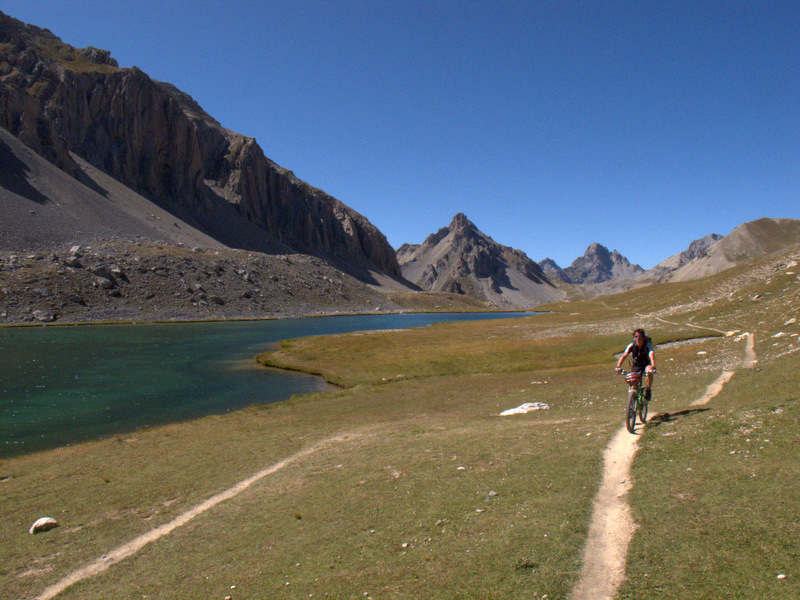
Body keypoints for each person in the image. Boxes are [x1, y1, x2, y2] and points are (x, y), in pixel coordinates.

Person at [615, 328, 656, 400]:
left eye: (640, 337)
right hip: (637, 364)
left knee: (649, 372)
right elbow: (625, 355)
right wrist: (618, 366)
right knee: (632, 382)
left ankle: (648, 390)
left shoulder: (648, 345)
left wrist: (653, 366)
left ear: (643, 337)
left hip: (646, 364)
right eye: (636, 337)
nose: (638, 339)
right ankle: (632, 402)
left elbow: (651, 355)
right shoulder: (632, 345)